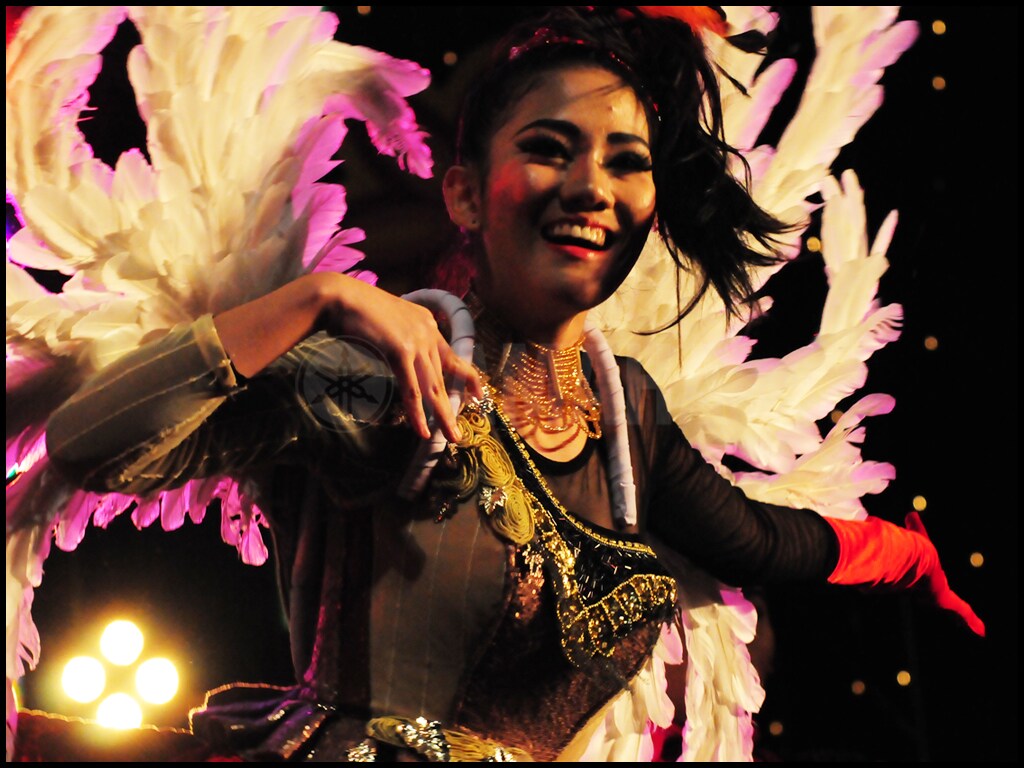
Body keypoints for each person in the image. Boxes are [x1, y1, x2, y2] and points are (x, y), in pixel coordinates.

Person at [19, 5, 982, 763]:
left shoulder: (627, 417)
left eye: (627, 162)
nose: (591, 187)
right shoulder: (390, 379)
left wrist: (910, 556)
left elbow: (763, 540)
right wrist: (317, 300)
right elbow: (87, 443)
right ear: (466, 194)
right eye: (549, 148)